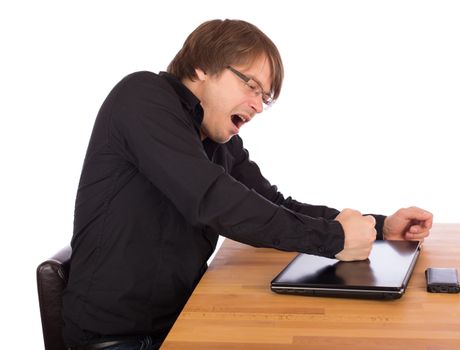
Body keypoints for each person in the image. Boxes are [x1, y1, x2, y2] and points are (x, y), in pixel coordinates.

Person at [62, 19, 433, 350]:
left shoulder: (218, 140)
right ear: (201, 67)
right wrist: (335, 240)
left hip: (182, 322)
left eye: (265, 98)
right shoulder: (141, 97)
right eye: (252, 86)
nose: (257, 106)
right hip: (118, 340)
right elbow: (214, 200)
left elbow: (273, 204)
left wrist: (378, 225)